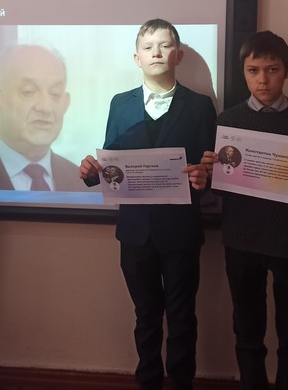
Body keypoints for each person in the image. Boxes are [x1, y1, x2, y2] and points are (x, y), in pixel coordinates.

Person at [79, 19, 215, 390]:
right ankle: (148, 382)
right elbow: (112, 165)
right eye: (149, 46)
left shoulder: (200, 106)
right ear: (136, 58)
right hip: (135, 231)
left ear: (178, 55)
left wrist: (204, 177)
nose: (157, 52)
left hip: (182, 230)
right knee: (146, 316)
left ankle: (182, 383)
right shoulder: (120, 104)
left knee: (183, 317)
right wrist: (91, 173)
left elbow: (211, 169)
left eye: (165, 45)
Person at [201, 31, 288, 390]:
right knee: (247, 332)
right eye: (253, 70)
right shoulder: (228, 120)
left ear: (287, 71)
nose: (263, 79)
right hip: (242, 240)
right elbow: (221, 188)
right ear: (244, 73)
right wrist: (210, 174)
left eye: (272, 69)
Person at [0, 44, 89, 192]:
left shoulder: (84, 184)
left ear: (65, 104)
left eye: (55, 94)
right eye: (28, 92)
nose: (45, 107)